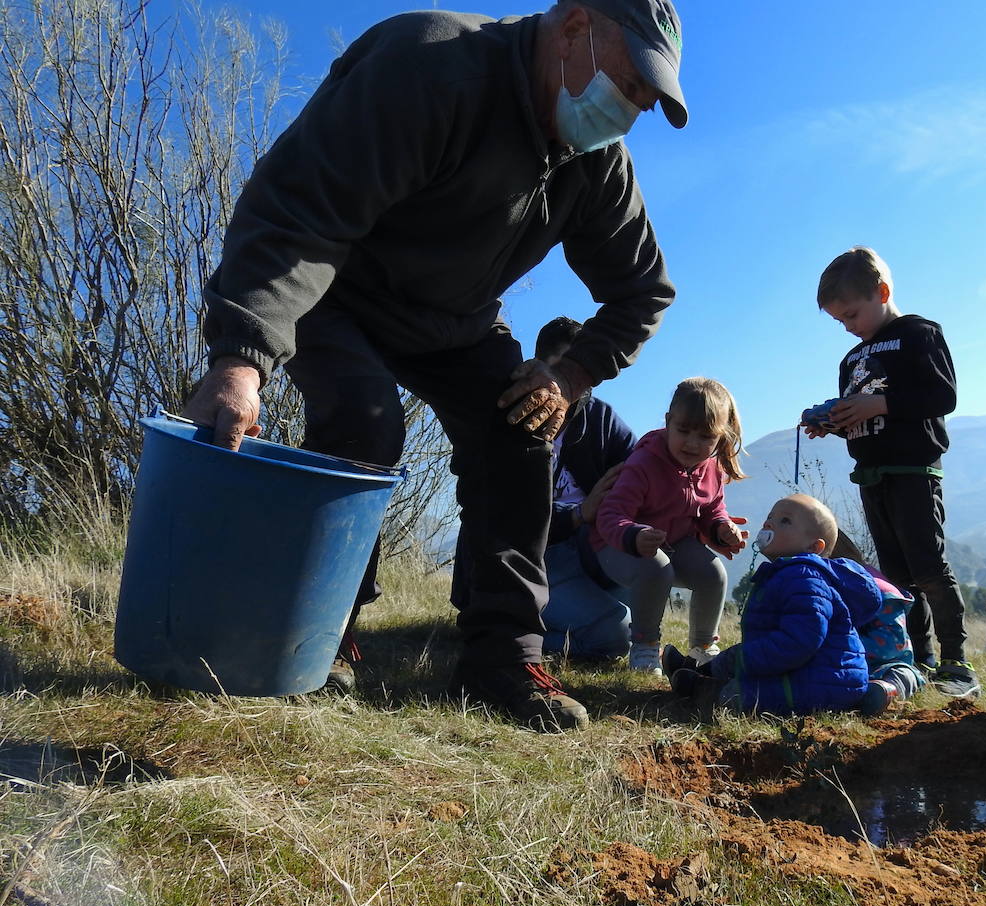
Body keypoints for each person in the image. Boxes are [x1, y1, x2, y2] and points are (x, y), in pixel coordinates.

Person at [181, 0, 689, 732]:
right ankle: (323, 638)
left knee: (521, 428)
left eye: (644, 100)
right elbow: (297, 209)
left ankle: (503, 657)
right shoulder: (430, 63)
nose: (627, 111)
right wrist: (241, 354)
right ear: (575, 27)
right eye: (628, 83)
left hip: (454, 319)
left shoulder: (596, 162)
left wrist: (570, 375)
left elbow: (643, 289)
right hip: (338, 285)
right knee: (364, 418)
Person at [804, 246, 979, 698]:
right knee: (896, 577)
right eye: (839, 321)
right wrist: (837, 424)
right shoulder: (851, 361)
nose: (848, 326)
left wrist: (878, 402)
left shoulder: (918, 334)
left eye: (852, 314)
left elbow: (942, 397)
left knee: (928, 566)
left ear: (882, 292)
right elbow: (866, 422)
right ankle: (915, 658)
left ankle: (957, 663)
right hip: (872, 474)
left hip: (915, 470)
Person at [668, 494, 894, 716]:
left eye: (784, 521)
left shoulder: (805, 578)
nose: (769, 523)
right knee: (743, 670)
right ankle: (697, 668)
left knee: (739, 694)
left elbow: (798, 642)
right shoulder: (789, 575)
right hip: (812, 675)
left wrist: (738, 659)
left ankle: (701, 686)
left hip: (820, 682)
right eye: (770, 517)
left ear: (814, 546)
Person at [592, 377, 748, 674]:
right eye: (683, 431)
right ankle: (645, 646)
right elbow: (609, 515)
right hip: (616, 546)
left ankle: (702, 648)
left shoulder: (711, 469)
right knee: (656, 567)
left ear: (720, 436)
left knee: (713, 573)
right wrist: (634, 534)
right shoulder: (644, 463)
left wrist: (722, 528)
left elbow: (713, 510)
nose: (692, 443)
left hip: (674, 542)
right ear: (668, 422)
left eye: (705, 437)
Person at [531, 317, 637, 661]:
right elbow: (501, 516)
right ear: (537, 365)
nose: (570, 380)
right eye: (559, 367)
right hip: (536, 555)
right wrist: (579, 514)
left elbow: (643, 472)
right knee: (616, 634)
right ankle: (507, 631)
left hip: (589, 549)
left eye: (579, 369)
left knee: (640, 616)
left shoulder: (602, 421)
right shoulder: (514, 413)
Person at [829, 530, 927, 705]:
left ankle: (888, 691)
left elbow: (893, 644)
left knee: (902, 674)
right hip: (850, 663)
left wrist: (844, 647)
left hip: (886, 663)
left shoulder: (877, 590)